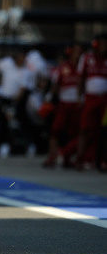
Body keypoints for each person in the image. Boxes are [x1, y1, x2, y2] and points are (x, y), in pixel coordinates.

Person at [43, 44, 83, 168]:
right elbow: (55, 85)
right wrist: (49, 99)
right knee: (55, 130)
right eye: (75, 51)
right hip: (63, 104)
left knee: (76, 133)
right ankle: (52, 158)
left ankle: (68, 158)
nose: (78, 54)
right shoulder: (62, 68)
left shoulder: (83, 66)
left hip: (78, 105)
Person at [75, 33, 107, 170]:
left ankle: (100, 160)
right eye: (101, 43)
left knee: (103, 131)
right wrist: (79, 97)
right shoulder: (87, 58)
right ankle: (80, 159)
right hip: (90, 98)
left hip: (104, 100)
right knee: (84, 129)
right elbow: (81, 78)